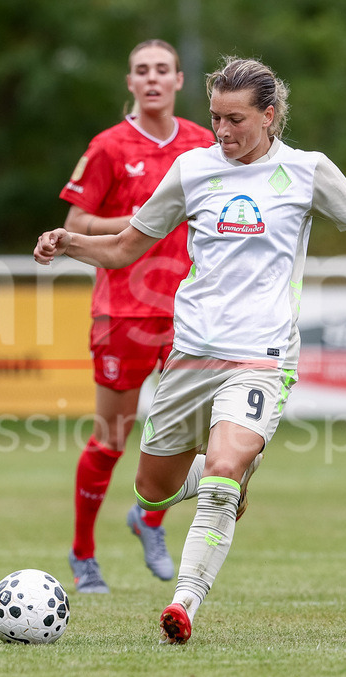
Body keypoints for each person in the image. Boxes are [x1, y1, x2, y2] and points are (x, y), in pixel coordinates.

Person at [35, 56, 346, 641]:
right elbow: (123, 248)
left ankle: (184, 604)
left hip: (262, 356)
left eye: (235, 119)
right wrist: (71, 244)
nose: (222, 132)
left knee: (222, 469)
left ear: (269, 115)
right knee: (150, 489)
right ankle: (226, 476)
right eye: (215, 118)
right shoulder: (192, 169)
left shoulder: (309, 171)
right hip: (191, 354)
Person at [57, 40, 216, 594]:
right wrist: (142, 219)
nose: (152, 79)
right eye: (142, 71)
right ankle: (83, 556)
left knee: (188, 440)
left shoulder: (203, 142)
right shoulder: (108, 147)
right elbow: (79, 219)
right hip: (122, 313)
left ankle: (148, 519)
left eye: (163, 70)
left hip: (190, 314)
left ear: (177, 81)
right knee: (112, 439)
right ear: (130, 82)